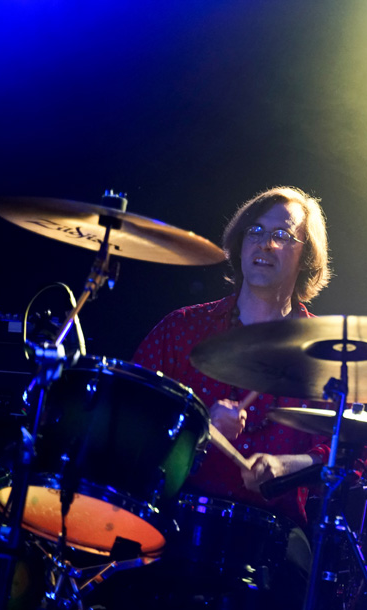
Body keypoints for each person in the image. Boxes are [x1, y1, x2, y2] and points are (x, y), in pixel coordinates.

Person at [90, 186, 334, 609]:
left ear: (307, 257)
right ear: (240, 244)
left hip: (272, 537)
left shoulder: (323, 352)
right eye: (256, 231)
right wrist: (196, 433)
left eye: (283, 235)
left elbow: (353, 450)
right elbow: (126, 422)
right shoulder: (181, 329)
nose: (265, 243)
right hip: (171, 516)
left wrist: (289, 466)